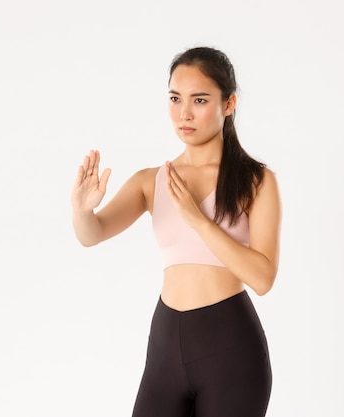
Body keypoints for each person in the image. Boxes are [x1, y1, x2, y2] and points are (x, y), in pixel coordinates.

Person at [71, 46, 282, 417]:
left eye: (199, 100)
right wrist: (82, 209)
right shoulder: (151, 181)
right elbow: (92, 234)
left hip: (230, 350)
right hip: (165, 346)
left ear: (229, 104)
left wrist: (199, 221)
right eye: (175, 98)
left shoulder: (256, 180)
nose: (184, 113)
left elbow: (263, 278)